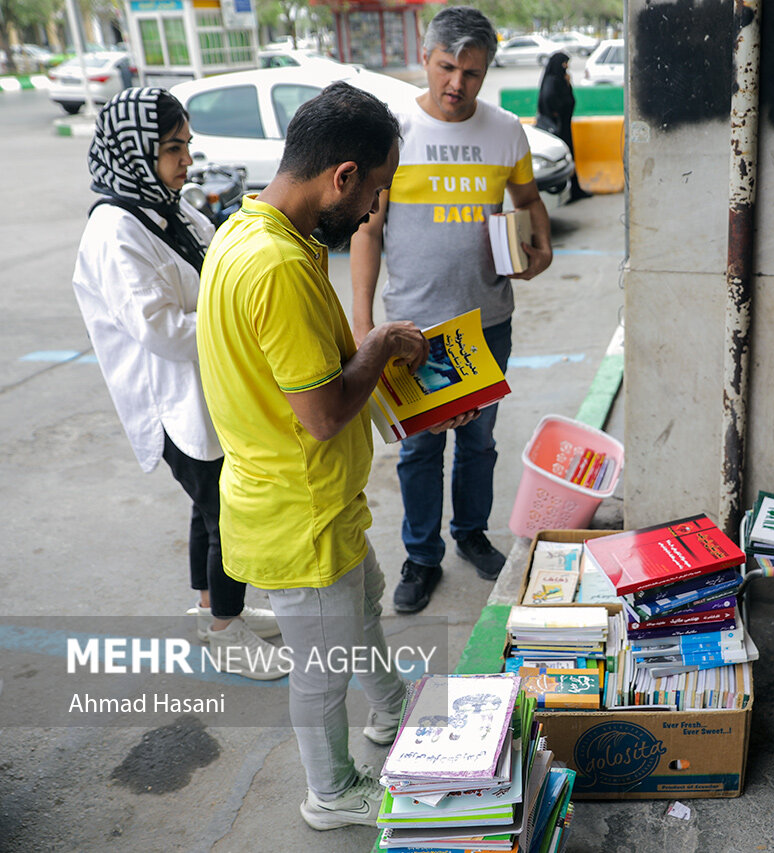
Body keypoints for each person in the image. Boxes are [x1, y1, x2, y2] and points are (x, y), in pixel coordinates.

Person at [197, 82, 474, 829]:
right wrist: (381, 340)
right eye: (375, 192)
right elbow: (320, 414)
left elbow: (304, 377)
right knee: (320, 670)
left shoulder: (246, 231)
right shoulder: (281, 268)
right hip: (299, 511)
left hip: (313, 502)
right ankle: (331, 789)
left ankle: (389, 709)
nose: (372, 214)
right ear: (342, 177)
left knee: (361, 612)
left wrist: (385, 373)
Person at [71, 87, 284, 680]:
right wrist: (241, 319)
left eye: (186, 145)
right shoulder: (115, 231)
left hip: (209, 392)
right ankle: (225, 632)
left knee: (207, 506)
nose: (185, 160)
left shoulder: (169, 207)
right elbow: (161, 331)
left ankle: (210, 608)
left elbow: (220, 263)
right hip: (173, 403)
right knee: (228, 514)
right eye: (172, 148)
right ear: (135, 151)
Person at [350, 6, 553, 614]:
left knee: (480, 442)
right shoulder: (394, 133)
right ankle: (421, 554)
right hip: (413, 329)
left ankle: (470, 534)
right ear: (425, 56)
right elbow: (367, 231)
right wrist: (365, 327)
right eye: (446, 67)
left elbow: (528, 202)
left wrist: (539, 248)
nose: (457, 84)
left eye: (472, 72)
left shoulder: (506, 130)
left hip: (488, 323)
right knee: (417, 448)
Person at [537, 51, 592, 202]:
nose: (566, 67)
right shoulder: (554, 80)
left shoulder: (555, 79)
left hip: (562, 127)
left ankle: (573, 191)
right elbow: (553, 101)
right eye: (564, 64)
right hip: (559, 130)